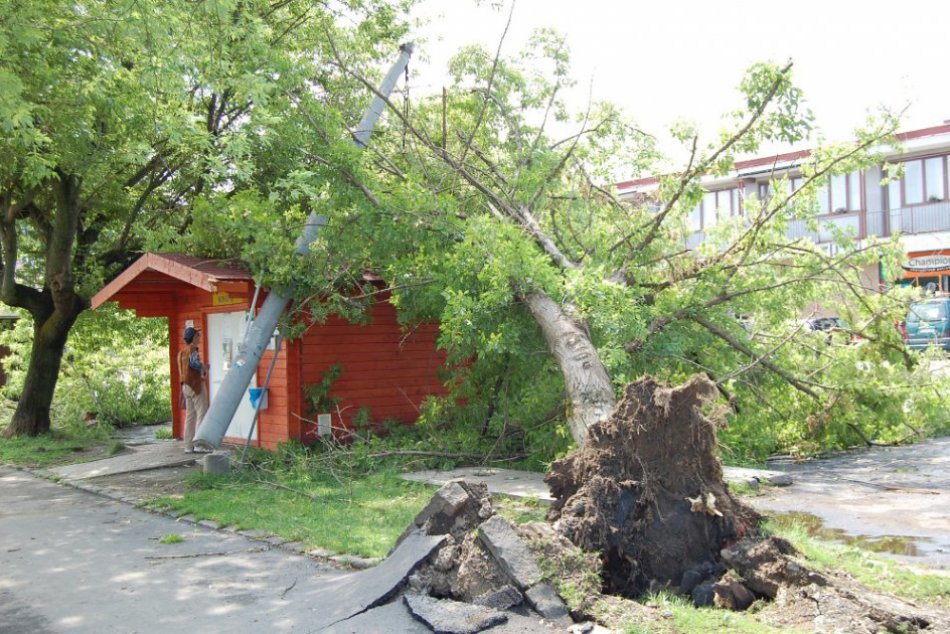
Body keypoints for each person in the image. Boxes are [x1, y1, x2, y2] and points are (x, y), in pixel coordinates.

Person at [178, 326, 210, 453]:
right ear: (194, 337)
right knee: (202, 414)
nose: (199, 337)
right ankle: (199, 444)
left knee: (190, 417)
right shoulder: (193, 350)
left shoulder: (181, 352)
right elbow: (194, 363)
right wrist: (204, 367)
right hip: (195, 385)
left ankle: (188, 446)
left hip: (185, 386)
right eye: (198, 335)